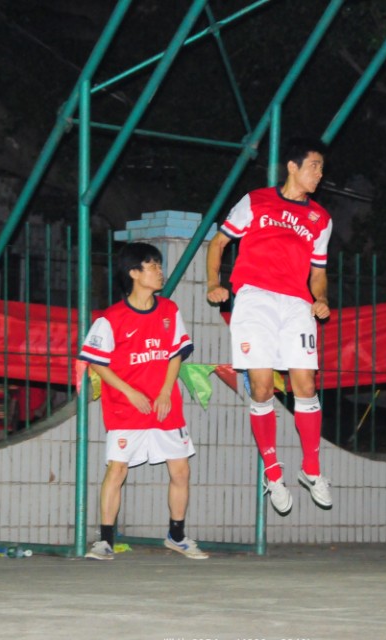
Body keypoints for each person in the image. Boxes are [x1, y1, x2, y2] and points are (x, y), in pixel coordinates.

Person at [206, 137, 333, 515]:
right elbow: (218, 243)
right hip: (254, 299)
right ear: (292, 166)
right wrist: (214, 283)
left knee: (305, 384)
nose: (319, 174)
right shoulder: (256, 200)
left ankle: (312, 469)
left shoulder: (321, 219)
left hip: (297, 303)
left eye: (322, 168)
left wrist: (321, 298)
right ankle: (273, 473)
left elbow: (318, 273)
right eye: (314, 166)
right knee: (261, 387)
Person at [78, 242, 207, 561]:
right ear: (134, 273)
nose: (160, 272)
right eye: (153, 266)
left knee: (181, 470)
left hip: (165, 407)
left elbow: (176, 354)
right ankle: (105, 540)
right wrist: (130, 392)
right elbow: (97, 363)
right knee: (117, 469)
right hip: (127, 409)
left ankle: (177, 536)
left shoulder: (169, 311)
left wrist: (165, 391)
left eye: (159, 265)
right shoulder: (111, 318)